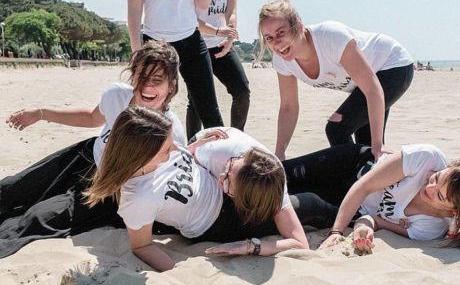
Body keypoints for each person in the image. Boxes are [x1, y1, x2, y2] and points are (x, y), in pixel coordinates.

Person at [1, 41, 186, 258]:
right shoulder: (117, 95)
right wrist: (41, 113)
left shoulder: (169, 134)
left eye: (157, 80)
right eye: (141, 77)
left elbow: (156, 189)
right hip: (83, 160)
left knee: (38, 218)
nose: (147, 87)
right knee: (14, 189)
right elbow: (91, 117)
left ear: (171, 86)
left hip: (110, 189)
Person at [84, 106, 308, 272]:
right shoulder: (138, 198)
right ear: (142, 157)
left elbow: (181, 155)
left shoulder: (160, 153)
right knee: (304, 205)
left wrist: (196, 145)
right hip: (218, 224)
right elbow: (142, 246)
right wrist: (176, 272)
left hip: (223, 187)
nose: (175, 148)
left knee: (282, 189)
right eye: (167, 148)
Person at [258, 0, 415, 161]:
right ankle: (366, 180)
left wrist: (378, 144)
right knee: (366, 148)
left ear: (297, 25)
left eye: (281, 33)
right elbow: (288, 107)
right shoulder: (282, 61)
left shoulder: (330, 37)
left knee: (337, 129)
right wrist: (280, 152)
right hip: (366, 85)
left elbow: (372, 89)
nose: (276, 43)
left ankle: (353, 178)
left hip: (392, 66)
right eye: (269, 38)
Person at [126, 0, 223, 137]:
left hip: (191, 41)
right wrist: (137, 51)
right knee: (150, 107)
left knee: (209, 108)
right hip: (156, 46)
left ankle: (220, 159)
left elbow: (202, 3)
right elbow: (133, 10)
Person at [308, 144, 460, 253]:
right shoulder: (427, 158)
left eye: (439, 195)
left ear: (454, 210)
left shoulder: (430, 229)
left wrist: (363, 226)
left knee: (304, 206)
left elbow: (377, 221)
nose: (429, 187)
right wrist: (336, 232)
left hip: (353, 208)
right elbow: (364, 186)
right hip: (353, 168)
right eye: (437, 177)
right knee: (283, 173)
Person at [185, 0, 250, 134]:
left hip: (222, 46)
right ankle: (194, 143)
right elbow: (192, 20)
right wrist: (217, 30)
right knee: (196, 100)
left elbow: (231, 12)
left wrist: (229, 38)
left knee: (242, 91)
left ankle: (236, 136)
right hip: (196, 46)